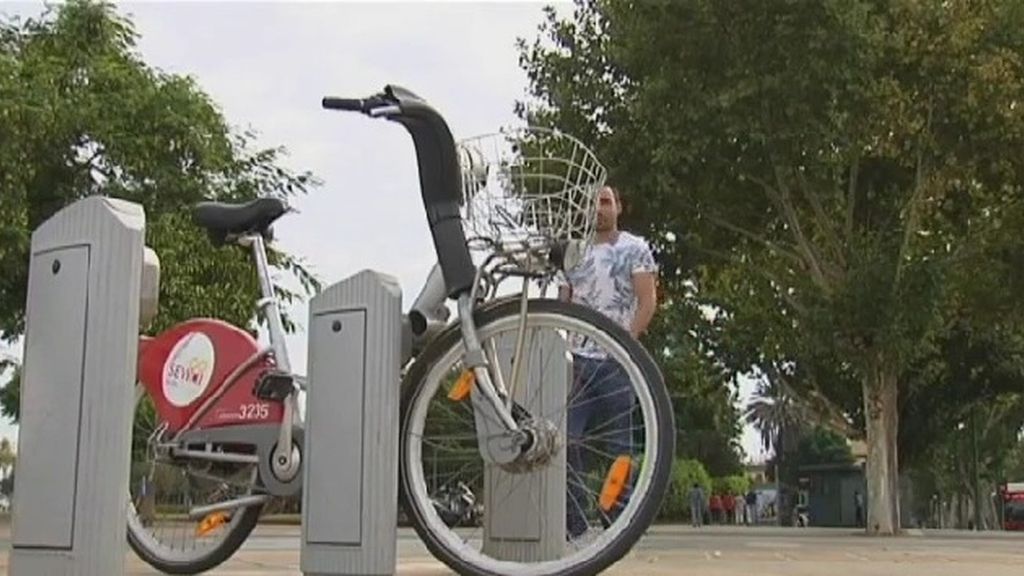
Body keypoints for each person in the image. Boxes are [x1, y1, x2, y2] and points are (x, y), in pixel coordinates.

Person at [560, 184, 659, 539]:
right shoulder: (573, 252)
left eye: (604, 201)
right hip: (580, 361)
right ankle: (575, 521)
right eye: (591, 203)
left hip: (617, 360)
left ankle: (616, 519)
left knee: (621, 445)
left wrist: (627, 344)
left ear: (619, 206)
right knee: (566, 441)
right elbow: (563, 303)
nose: (598, 208)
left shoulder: (635, 248)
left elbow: (647, 301)